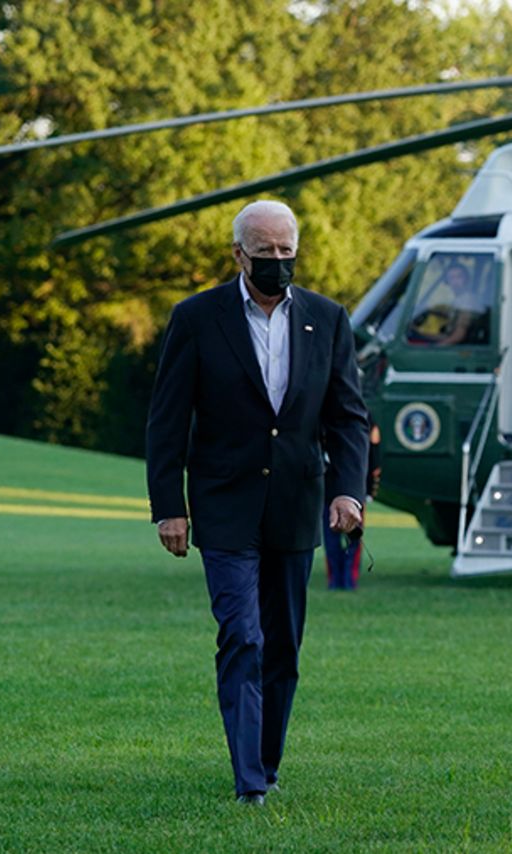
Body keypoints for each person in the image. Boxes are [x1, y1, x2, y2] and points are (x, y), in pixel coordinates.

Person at [146, 199, 369, 805]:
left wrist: (349, 489)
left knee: (284, 646)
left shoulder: (328, 319)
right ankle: (249, 782)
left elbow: (348, 417)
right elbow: (168, 419)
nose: (277, 260)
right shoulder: (197, 317)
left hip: (297, 506)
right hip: (223, 506)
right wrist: (169, 504)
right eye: (264, 250)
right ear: (238, 254)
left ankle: (266, 763)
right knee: (242, 634)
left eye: (286, 250)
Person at [323, 415, 382, 590]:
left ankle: (348, 578)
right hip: (330, 487)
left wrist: (369, 489)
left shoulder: (366, 418)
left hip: (353, 492)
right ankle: (337, 578)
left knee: (352, 536)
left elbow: (372, 456)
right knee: (332, 538)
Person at [408, 260, 487, 346]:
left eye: (459, 277)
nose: (456, 282)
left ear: (466, 278)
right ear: (448, 281)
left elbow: (458, 336)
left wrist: (435, 349)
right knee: (417, 336)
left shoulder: (467, 301)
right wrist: (431, 310)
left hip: (459, 348)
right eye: (452, 278)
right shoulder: (460, 299)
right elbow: (453, 315)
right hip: (449, 337)